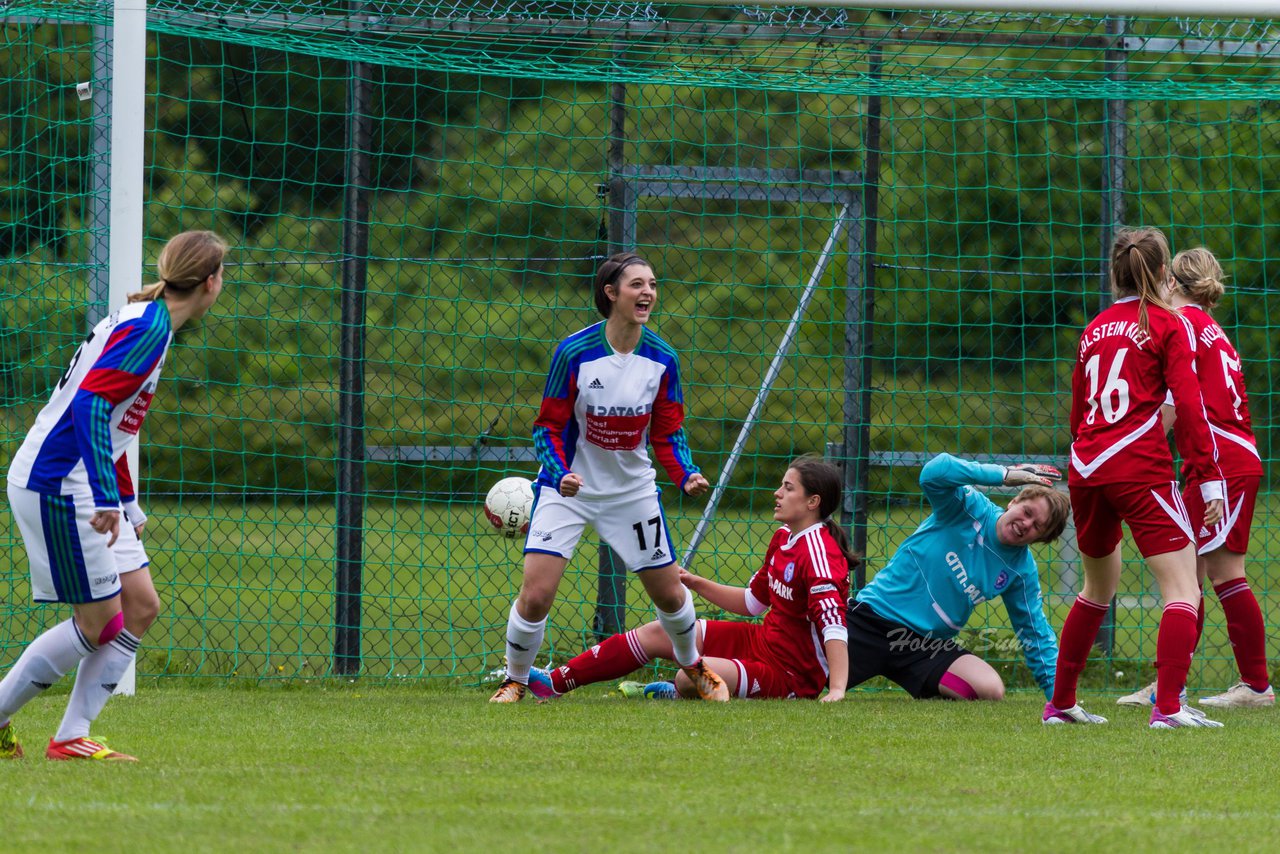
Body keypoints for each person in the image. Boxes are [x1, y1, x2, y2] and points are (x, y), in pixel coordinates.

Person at [0, 230, 228, 761]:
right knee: (100, 624)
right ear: (210, 282)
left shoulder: (150, 318)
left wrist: (126, 504)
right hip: (58, 480)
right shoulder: (148, 327)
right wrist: (106, 497)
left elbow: (117, 424)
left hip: (83, 479)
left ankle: (70, 737)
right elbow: (90, 408)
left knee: (141, 606)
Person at [489, 252, 724, 702]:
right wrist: (560, 475)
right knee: (536, 594)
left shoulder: (663, 359)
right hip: (568, 490)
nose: (648, 292)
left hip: (632, 494)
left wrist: (686, 473)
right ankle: (516, 679)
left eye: (652, 284)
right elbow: (547, 427)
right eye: (636, 284)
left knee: (671, 596)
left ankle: (694, 667)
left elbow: (669, 431)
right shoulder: (574, 352)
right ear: (611, 293)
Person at [1047, 227, 1226, 730]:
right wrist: (1209, 478)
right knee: (1183, 589)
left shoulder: (1095, 327)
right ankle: (1168, 707)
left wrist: (1083, 458)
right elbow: (1189, 408)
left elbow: (1079, 410)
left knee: (1095, 588)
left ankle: (1060, 703)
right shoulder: (1169, 324)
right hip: (1137, 467)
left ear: (1114, 273)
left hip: (1086, 468)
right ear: (1165, 273)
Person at [523, 457, 852, 702]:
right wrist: (695, 582)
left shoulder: (819, 554)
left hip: (790, 675)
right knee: (659, 632)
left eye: (788, 488)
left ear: (813, 502)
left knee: (690, 675)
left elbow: (833, 626)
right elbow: (752, 603)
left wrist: (836, 689)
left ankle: (676, 692)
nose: (777, 492)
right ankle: (555, 683)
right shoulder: (783, 538)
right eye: (781, 484)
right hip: (761, 642)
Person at [1116, 247, 1272, 709]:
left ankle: (1256, 686)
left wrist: (1128, 455)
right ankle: (1171, 685)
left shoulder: (1179, 325)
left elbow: (1174, 404)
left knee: (1224, 572)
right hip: (1220, 459)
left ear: (1170, 283)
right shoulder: (1212, 328)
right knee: (1190, 573)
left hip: (1221, 464)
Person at [843, 453, 1067, 703]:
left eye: (1037, 525)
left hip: (924, 647)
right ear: (1014, 501)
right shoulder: (968, 508)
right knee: (803, 680)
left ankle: (929, 684)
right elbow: (934, 472)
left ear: (1040, 539)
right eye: (1027, 512)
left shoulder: (1021, 570)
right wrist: (1003, 475)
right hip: (872, 621)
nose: (1026, 523)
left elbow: (1034, 631)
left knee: (989, 690)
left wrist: (1060, 700)